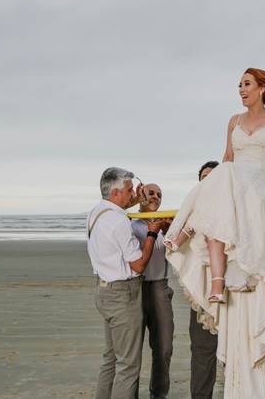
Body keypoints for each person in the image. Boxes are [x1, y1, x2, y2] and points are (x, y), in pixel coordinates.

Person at [165, 68, 265, 398]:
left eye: (247, 84)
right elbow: (227, 158)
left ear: (263, 88)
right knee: (220, 176)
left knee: (224, 178)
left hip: (262, 183)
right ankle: (216, 274)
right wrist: (208, 192)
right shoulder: (233, 121)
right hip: (236, 183)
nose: (241, 90)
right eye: (239, 85)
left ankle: (182, 230)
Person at [86, 167, 164, 399]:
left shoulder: (96, 212)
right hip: (123, 295)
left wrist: (137, 198)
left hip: (103, 290)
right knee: (128, 364)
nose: (134, 194)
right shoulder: (119, 222)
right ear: (117, 193)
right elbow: (139, 265)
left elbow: (122, 206)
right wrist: (151, 234)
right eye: (130, 190)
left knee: (111, 358)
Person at [130, 183, 174, 399]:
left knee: (164, 348)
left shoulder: (169, 225)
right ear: (140, 196)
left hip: (160, 288)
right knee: (132, 350)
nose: (155, 197)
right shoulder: (129, 223)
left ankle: (159, 394)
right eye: (151, 193)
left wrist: (168, 232)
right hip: (134, 289)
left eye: (159, 194)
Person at [190, 161, 219, 399]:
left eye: (214, 176)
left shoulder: (236, 208)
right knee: (202, 351)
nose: (208, 180)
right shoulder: (191, 211)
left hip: (234, 290)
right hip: (201, 292)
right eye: (204, 176)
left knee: (237, 351)